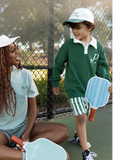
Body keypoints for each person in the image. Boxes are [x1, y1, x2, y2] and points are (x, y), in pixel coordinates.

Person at [50, 8, 115, 160]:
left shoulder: (97, 46)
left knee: (83, 115)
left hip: (91, 90)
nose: (74, 31)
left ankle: (78, 137)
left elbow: (102, 67)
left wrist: (105, 82)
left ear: (90, 27)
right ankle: (85, 153)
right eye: (72, 27)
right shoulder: (68, 45)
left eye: (78, 27)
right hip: (74, 88)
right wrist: (55, 82)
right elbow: (59, 64)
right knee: (81, 118)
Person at [0, 35, 70, 160]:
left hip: (22, 128)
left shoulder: (25, 75)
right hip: (0, 132)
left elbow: (33, 109)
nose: (17, 52)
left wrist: (26, 133)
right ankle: (27, 155)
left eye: (17, 48)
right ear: (0, 56)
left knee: (62, 131)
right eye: (12, 50)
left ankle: (18, 152)